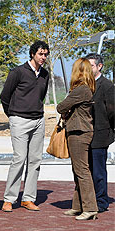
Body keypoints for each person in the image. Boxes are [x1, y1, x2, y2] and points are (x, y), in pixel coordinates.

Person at [0, 40, 49, 212]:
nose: (43, 57)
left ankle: (28, 198)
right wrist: (13, 115)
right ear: (33, 54)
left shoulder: (45, 74)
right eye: (40, 54)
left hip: (38, 121)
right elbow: (4, 96)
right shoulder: (17, 72)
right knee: (19, 159)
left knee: (35, 161)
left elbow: (40, 97)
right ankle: (9, 199)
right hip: (19, 120)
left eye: (45, 54)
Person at [57, 58, 98, 220]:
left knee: (82, 171)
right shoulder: (86, 89)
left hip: (79, 132)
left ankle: (90, 208)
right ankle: (78, 205)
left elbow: (61, 107)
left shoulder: (81, 89)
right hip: (80, 131)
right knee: (78, 170)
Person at [85, 53, 114, 213]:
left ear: (100, 66)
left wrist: (110, 132)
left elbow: (112, 111)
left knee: (98, 171)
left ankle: (101, 201)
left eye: (91, 66)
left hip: (100, 135)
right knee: (86, 171)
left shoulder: (107, 85)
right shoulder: (85, 85)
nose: (88, 69)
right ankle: (89, 200)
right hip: (86, 135)